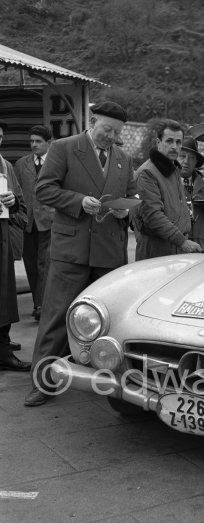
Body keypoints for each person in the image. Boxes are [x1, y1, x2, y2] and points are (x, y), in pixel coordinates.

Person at [25, 101, 138, 406]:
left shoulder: (123, 159)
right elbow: (44, 190)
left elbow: (131, 195)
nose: (110, 136)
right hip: (71, 250)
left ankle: (113, 383)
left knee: (112, 320)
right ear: (91, 121)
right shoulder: (64, 148)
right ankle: (43, 381)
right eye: (106, 129)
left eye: (116, 132)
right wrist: (78, 201)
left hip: (108, 252)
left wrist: (123, 211)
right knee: (56, 317)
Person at [134, 120, 202, 260]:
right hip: (157, 251)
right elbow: (153, 216)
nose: (174, 146)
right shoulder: (147, 173)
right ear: (159, 142)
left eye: (178, 142)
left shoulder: (174, 170)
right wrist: (182, 242)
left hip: (175, 249)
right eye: (169, 141)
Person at [14, 125, 54, 321]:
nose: (34, 145)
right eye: (32, 141)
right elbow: (16, 190)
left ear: (49, 143)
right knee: (31, 264)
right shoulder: (21, 164)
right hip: (28, 223)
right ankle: (38, 302)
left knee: (45, 264)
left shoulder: (56, 163)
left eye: (38, 141)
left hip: (50, 222)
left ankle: (41, 305)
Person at [0, 121, 31, 372]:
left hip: (2, 243)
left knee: (4, 296)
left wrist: (12, 204)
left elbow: (22, 208)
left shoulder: (6, 167)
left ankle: (3, 348)